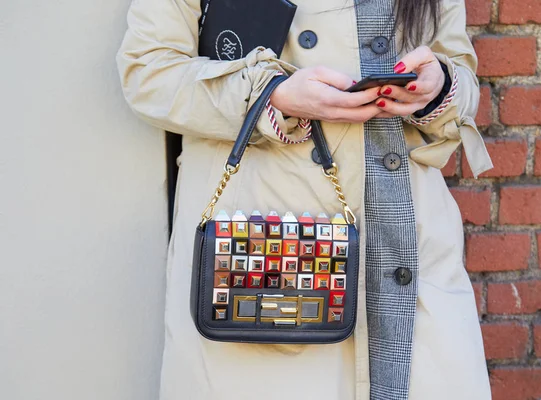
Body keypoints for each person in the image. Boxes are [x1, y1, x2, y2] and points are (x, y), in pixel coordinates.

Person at [116, 0, 493, 399]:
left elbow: (461, 76)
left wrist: (437, 88)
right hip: (269, 249)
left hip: (406, 244)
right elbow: (148, 71)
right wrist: (271, 96)